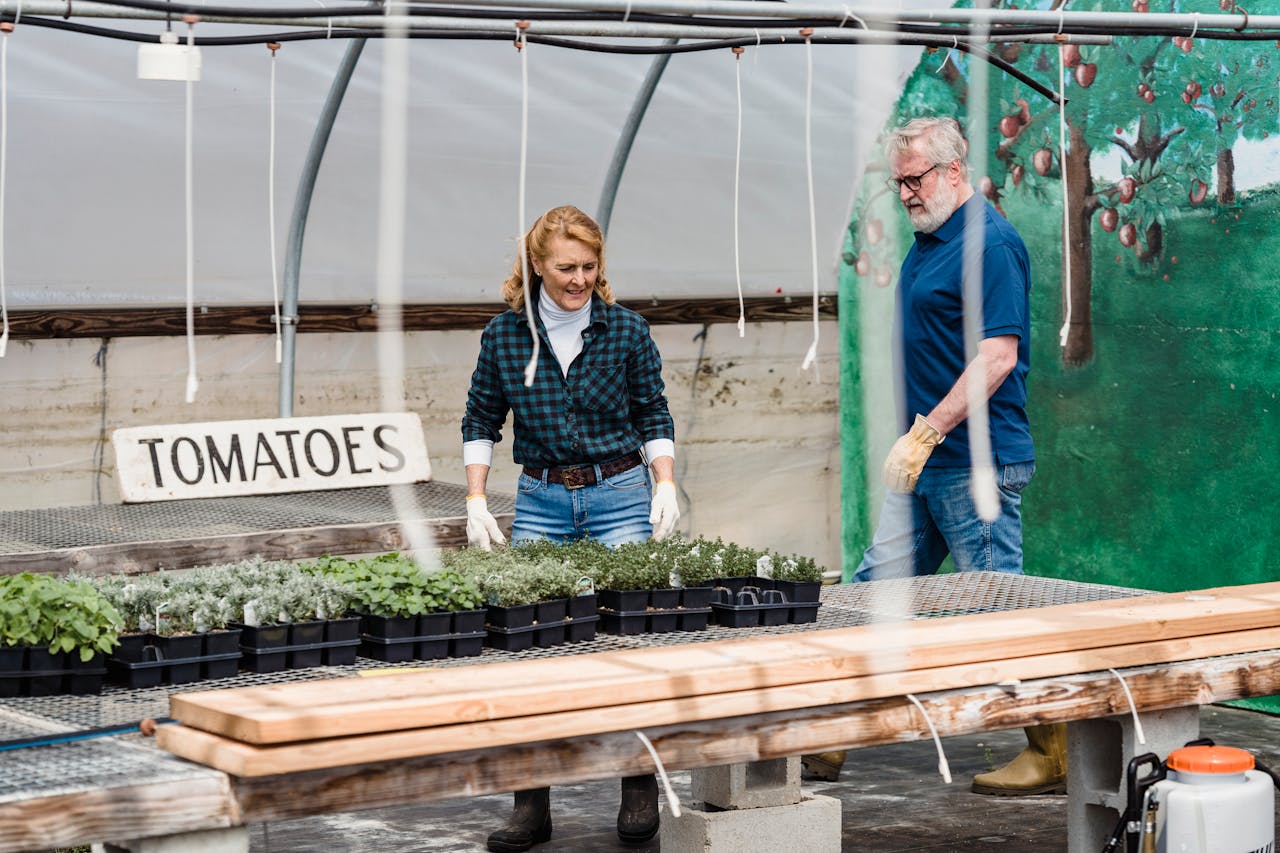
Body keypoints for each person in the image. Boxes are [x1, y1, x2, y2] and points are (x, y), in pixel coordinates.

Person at [802, 117, 1058, 796]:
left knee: (997, 608)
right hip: (927, 463)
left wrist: (926, 432)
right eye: (899, 182)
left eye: (914, 179)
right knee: (867, 596)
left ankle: (1054, 742)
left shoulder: (989, 244)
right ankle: (830, 737)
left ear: (953, 171)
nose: (906, 193)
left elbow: (997, 358)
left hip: (972, 462)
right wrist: (920, 445)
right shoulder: (930, 237)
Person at [461, 204, 681, 851]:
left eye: (589, 267)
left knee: (629, 642)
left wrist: (663, 481)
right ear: (537, 265)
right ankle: (532, 804)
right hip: (542, 501)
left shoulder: (626, 331)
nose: (579, 279)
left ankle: (637, 785)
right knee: (529, 650)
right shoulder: (505, 337)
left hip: (619, 494)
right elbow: (480, 419)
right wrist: (476, 498)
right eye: (566, 268)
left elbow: (653, 413)